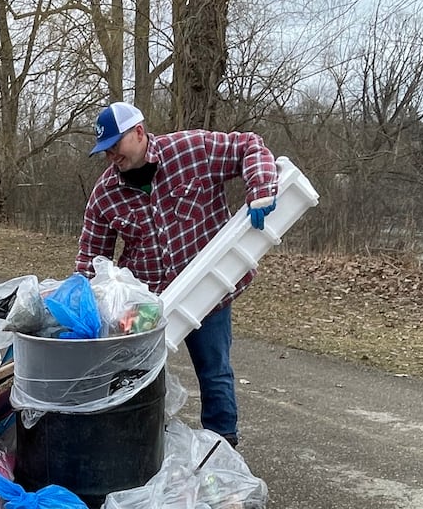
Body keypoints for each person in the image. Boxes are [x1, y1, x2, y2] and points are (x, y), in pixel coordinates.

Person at [76, 101, 278, 447]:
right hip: (147, 303)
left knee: (214, 373)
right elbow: (90, 259)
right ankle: (142, 445)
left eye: (116, 146)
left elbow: (248, 146)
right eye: (105, 151)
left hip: (206, 289)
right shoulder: (104, 195)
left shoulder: (191, 151)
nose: (112, 157)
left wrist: (260, 188)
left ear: (138, 132)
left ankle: (222, 448)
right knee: (137, 375)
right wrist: (80, 305)